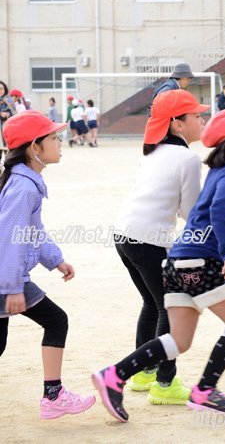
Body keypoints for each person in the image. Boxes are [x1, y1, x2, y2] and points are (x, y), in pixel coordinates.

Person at [93, 108, 225, 422]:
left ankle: (114, 375)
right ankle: (205, 390)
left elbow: (220, 211)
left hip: (177, 263)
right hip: (203, 262)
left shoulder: (220, 173)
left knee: (178, 341)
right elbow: (222, 211)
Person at [113, 90, 207, 406]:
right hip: (149, 241)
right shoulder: (188, 158)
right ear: (177, 124)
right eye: (195, 115)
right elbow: (190, 213)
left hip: (125, 235)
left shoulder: (154, 152)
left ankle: (144, 373)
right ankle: (165, 383)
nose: (202, 119)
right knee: (170, 307)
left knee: (152, 303)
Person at [0, 110, 96, 419]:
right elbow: (11, 240)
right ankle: (53, 396)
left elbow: (32, 232)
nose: (60, 142)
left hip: (7, 276)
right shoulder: (24, 188)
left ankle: (53, 396)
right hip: (6, 278)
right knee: (56, 320)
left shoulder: (25, 182)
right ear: (34, 148)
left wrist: (55, 260)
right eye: (54, 138)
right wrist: (13, 287)